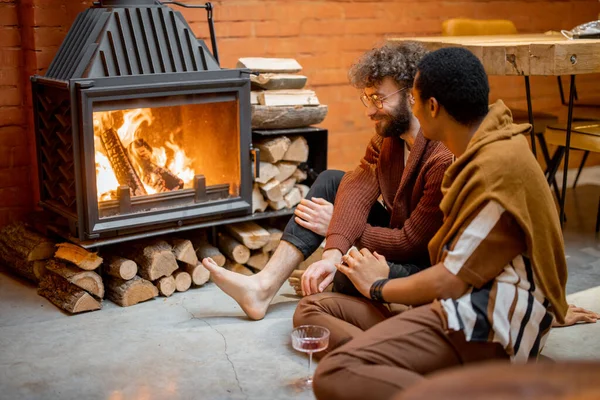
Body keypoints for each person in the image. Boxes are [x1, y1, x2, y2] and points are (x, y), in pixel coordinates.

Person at [298, 47, 575, 400]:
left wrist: (378, 286)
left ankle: (423, 373)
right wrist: (336, 252)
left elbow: (449, 278)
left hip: (486, 325)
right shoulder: (483, 146)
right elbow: (357, 182)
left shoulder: (496, 167)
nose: (410, 109)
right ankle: (393, 359)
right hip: (450, 305)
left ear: (432, 107)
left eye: (413, 99)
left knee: (336, 372)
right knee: (312, 309)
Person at [200, 42, 454, 320]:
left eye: (379, 99)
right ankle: (263, 286)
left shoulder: (442, 157)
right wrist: (331, 254)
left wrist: (337, 226)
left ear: (412, 96)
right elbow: (358, 185)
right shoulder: (388, 139)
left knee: (349, 275)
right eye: (367, 99)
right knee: (332, 181)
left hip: (422, 264)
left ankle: (374, 294)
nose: (370, 111)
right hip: (395, 236)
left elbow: (411, 242)